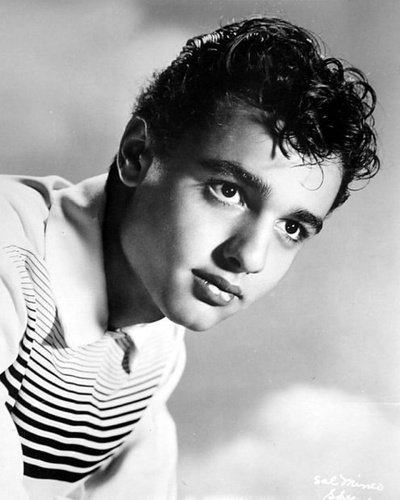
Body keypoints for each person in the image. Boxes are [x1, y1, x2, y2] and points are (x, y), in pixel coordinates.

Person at [0, 16, 379, 500]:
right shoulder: (11, 255)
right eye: (228, 191)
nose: (250, 257)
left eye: (291, 228)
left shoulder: (157, 345)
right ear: (137, 154)